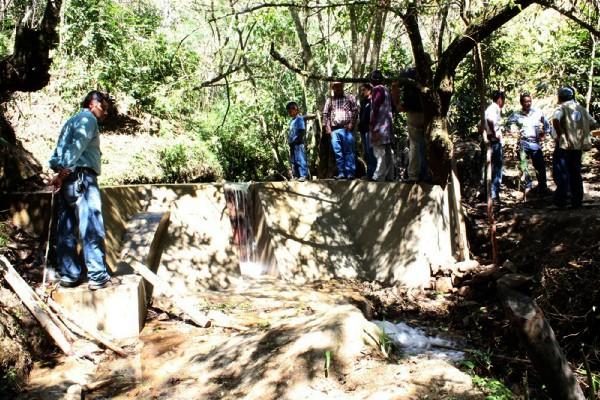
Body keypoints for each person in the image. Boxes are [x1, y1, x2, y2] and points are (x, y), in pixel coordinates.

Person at [49, 91, 116, 290]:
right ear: (92, 104)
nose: (105, 114)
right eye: (103, 108)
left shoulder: (72, 120)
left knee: (66, 226)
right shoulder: (88, 120)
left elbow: (58, 152)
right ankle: (97, 275)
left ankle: (69, 274)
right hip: (81, 177)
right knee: (92, 224)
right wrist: (62, 173)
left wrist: (59, 172)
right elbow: (75, 149)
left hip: (69, 179)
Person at [551, 87, 596, 208]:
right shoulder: (581, 109)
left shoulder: (561, 108)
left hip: (565, 145)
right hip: (578, 146)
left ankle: (561, 201)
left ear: (560, 97)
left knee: (561, 172)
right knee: (575, 172)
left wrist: (560, 133)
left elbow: (555, 119)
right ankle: (577, 201)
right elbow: (593, 123)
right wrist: (581, 133)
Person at [506, 93, 552, 196]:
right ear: (521, 103)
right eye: (526, 102)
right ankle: (528, 186)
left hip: (535, 143)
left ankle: (543, 187)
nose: (528, 103)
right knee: (524, 166)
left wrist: (544, 135)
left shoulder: (537, 112)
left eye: (530, 101)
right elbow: (507, 125)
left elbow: (547, 124)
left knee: (540, 166)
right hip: (523, 143)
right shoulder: (516, 114)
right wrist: (513, 134)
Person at [322, 82, 358, 180]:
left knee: (349, 152)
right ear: (332, 88)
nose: (337, 88)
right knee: (337, 152)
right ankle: (341, 173)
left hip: (346, 129)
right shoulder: (330, 100)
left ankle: (350, 173)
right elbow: (325, 114)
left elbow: (355, 111)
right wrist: (327, 127)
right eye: (335, 87)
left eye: (339, 86)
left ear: (342, 86)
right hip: (334, 130)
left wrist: (351, 124)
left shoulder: (350, 97)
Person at [397, 68, 427, 183]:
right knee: (424, 144)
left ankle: (414, 175)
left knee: (415, 144)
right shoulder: (428, 74)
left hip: (415, 113)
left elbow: (395, 85)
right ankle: (425, 174)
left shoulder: (409, 73)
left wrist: (397, 104)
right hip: (425, 112)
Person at [369, 70, 394, 181]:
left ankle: (378, 176)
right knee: (386, 152)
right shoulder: (386, 90)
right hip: (387, 125)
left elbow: (375, 108)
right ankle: (389, 175)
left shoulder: (377, 90)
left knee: (379, 152)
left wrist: (373, 125)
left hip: (380, 126)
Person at [483, 90, 506, 202]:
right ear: (500, 99)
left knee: (491, 167)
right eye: (503, 100)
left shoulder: (489, 108)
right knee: (497, 168)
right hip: (494, 141)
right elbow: (490, 120)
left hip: (491, 140)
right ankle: (494, 195)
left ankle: (490, 193)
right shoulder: (494, 108)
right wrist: (494, 133)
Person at [286, 102, 309, 182]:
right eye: (288, 111)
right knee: (293, 160)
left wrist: (297, 139)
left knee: (300, 159)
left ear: (295, 109)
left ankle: (303, 175)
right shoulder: (292, 121)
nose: (289, 113)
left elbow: (302, 130)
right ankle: (296, 175)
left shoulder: (299, 118)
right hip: (292, 144)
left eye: (290, 111)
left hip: (298, 143)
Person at [358, 83, 376, 179]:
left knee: (371, 151)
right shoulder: (363, 102)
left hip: (370, 130)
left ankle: (373, 173)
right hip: (363, 130)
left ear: (369, 90)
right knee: (367, 152)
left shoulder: (373, 101)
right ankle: (369, 173)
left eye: (364, 90)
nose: (362, 92)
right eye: (361, 90)